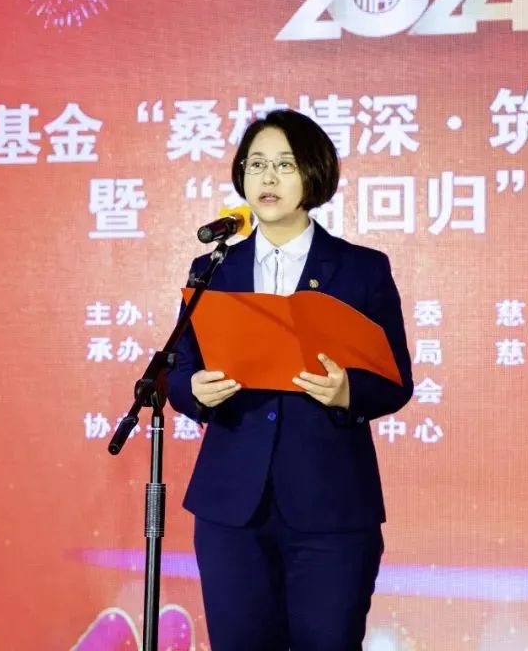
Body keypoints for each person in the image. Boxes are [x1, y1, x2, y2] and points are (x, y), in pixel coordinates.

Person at [167, 109, 414, 651]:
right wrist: (194, 392)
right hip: (232, 508)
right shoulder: (213, 269)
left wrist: (348, 391)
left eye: (284, 164)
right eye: (256, 164)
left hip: (331, 507)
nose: (268, 177)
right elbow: (177, 369)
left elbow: (395, 381)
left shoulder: (361, 268)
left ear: (313, 174)